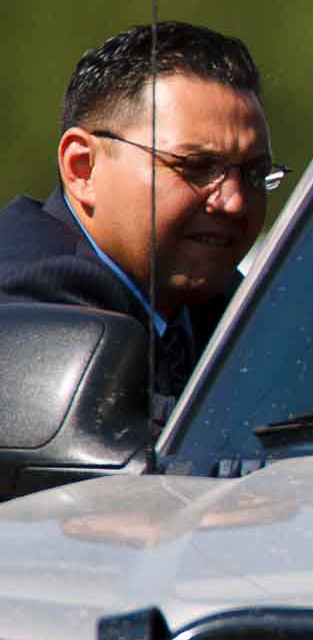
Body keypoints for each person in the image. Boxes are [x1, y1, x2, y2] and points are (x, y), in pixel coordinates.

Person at [0, 22, 285, 401]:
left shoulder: (224, 305)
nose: (234, 202)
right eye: (196, 167)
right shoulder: (35, 302)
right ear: (82, 167)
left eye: (253, 173)